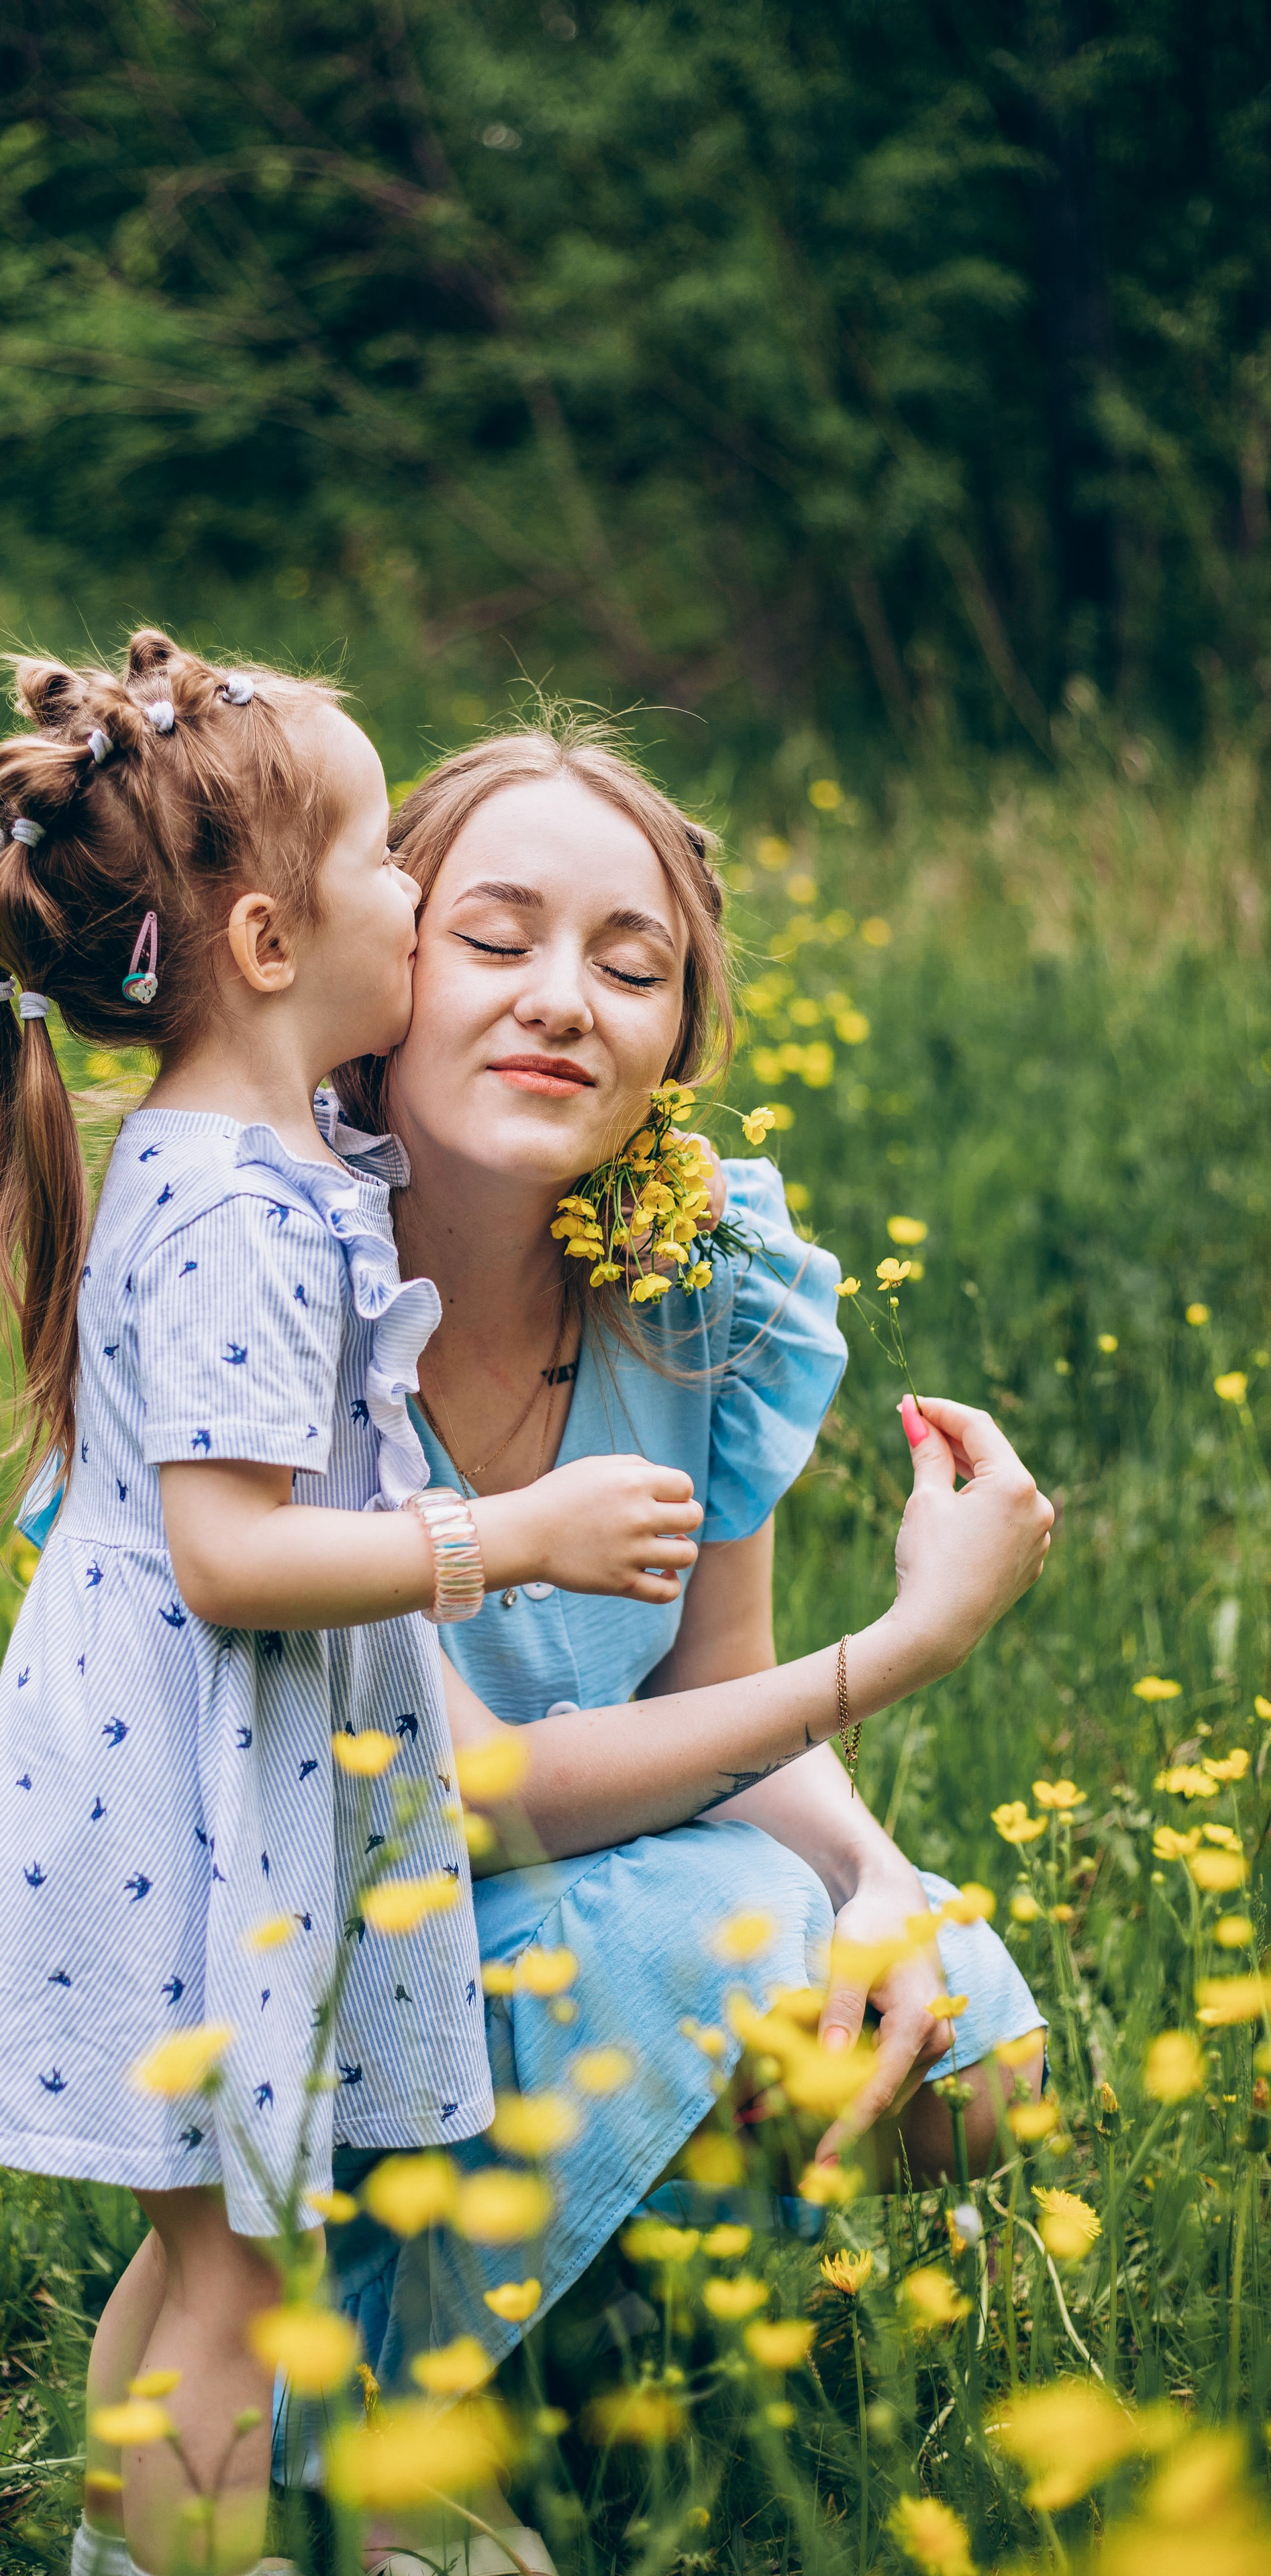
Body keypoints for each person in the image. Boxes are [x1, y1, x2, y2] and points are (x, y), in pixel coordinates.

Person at [0, 641, 709, 2576]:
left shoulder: (258, 1166)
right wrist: (506, 1541)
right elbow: (231, 1556)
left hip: (212, 1772)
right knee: (235, 2280)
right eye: (384, 863)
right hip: (183, 1792)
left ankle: (139, 2555)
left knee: (216, 2246)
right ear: (270, 941)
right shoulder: (240, 1207)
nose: (414, 900)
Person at [311, 722, 1053, 2553]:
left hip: (595, 1869)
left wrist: (882, 1883)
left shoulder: (693, 1288)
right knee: (727, 1925)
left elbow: (720, 1696)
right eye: (495, 940)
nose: (565, 999)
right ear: (377, 966)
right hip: (325, 1949)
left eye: (632, 968)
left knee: (973, 2045)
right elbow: (450, 1800)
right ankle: (369, 2417)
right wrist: (908, 1643)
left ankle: (616, 2325)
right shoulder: (281, 1294)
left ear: (675, 1041)